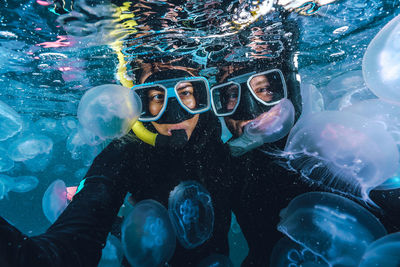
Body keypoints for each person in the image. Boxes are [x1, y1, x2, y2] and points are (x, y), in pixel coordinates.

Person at [0, 57, 237, 267]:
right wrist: (40, 256)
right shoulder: (127, 150)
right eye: (156, 97)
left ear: (201, 94)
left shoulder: (222, 138)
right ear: (140, 101)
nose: (175, 114)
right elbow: (86, 218)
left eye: (185, 92)